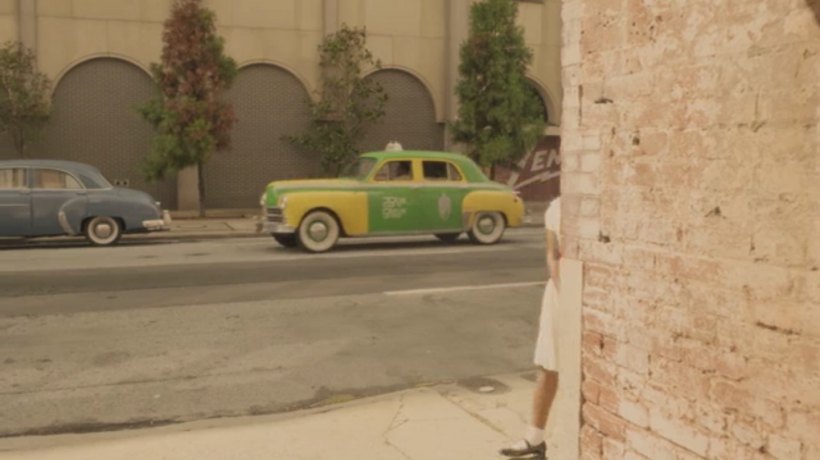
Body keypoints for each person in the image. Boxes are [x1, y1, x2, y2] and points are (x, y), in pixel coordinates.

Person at [500, 196, 561, 460]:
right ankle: (534, 439)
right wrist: (563, 289)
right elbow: (553, 255)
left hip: (587, 294)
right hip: (561, 294)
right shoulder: (555, 208)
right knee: (548, 365)